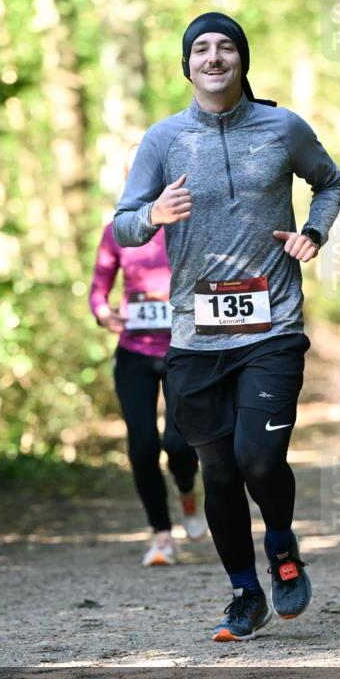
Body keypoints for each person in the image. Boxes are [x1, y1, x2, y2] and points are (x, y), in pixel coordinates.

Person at [113, 12, 340, 641]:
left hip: (273, 326)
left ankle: (282, 545)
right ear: (186, 64)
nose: (213, 58)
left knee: (259, 458)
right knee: (216, 470)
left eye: (226, 48)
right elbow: (122, 224)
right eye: (201, 50)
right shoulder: (163, 141)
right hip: (194, 335)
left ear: (242, 59)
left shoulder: (282, 128)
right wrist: (153, 213)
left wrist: (313, 233)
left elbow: (330, 182)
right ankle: (245, 593)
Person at [90, 221, 205, 567]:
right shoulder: (116, 231)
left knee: (178, 442)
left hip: (181, 349)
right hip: (133, 355)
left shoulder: (189, 227)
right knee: (142, 447)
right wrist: (101, 312)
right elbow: (99, 288)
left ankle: (187, 488)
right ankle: (162, 536)